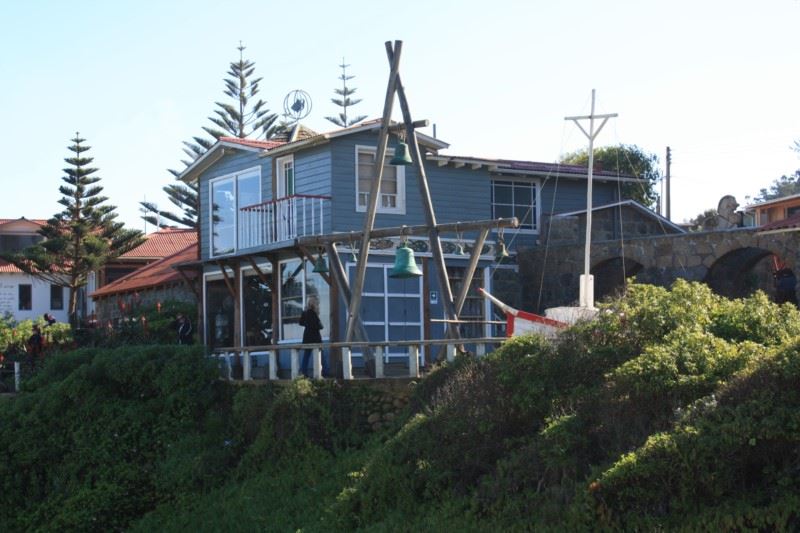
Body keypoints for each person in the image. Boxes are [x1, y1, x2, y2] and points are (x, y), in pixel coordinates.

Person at [299, 296, 323, 377]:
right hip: (315, 337)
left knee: (306, 356)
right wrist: (317, 326)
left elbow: (300, 322)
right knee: (320, 355)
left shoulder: (305, 312)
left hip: (307, 337)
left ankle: (303, 373)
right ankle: (324, 372)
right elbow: (318, 325)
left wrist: (307, 325)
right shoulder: (312, 313)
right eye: (316, 303)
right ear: (314, 304)